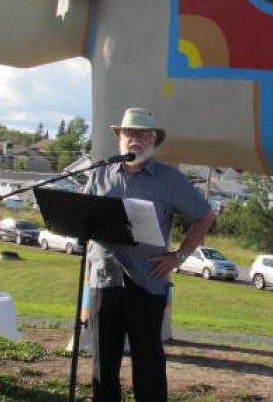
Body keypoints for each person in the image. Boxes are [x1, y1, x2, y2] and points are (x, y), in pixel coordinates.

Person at [83, 107, 216, 401]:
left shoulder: (169, 179)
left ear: (154, 140)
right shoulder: (100, 173)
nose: (136, 139)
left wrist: (179, 256)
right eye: (131, 133)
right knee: (103, 363)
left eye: (144, 134)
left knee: (148, 363)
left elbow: (205, 215)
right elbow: (83, 213)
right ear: (120, 137)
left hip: (147, 281)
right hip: (104, 279)